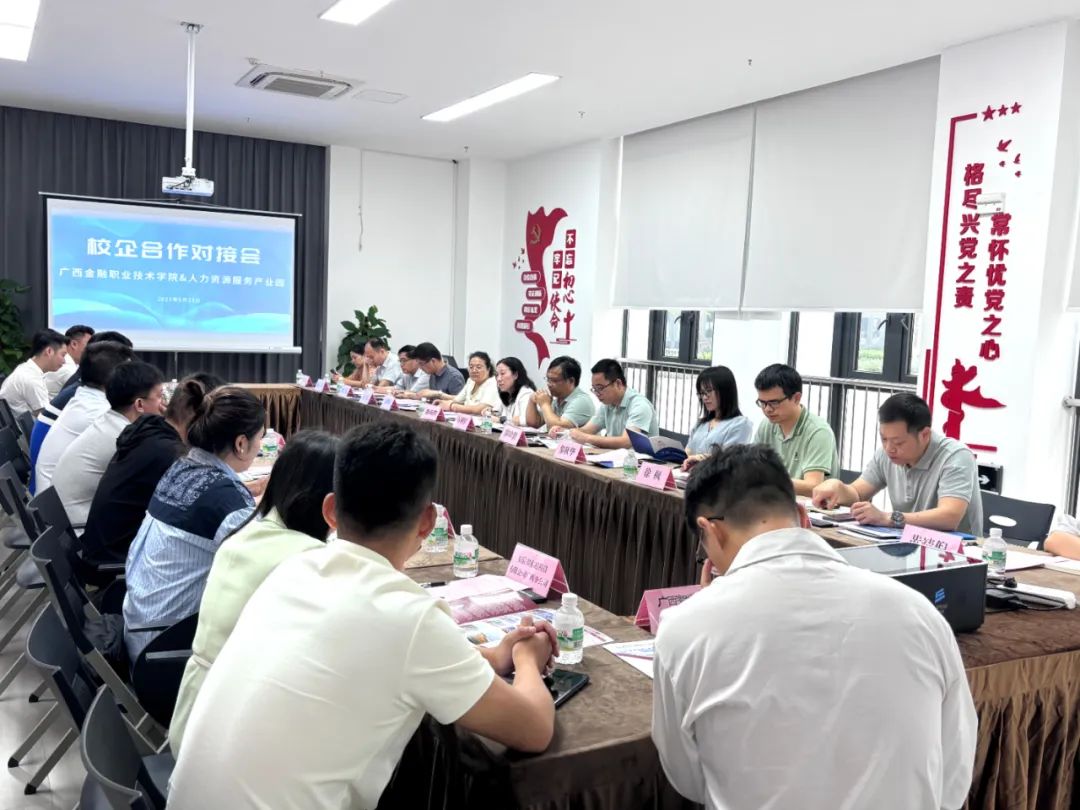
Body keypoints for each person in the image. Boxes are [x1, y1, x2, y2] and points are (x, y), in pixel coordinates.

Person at [167, 422, 558, 809]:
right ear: (428, 521)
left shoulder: (293, 570)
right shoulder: (410, 616)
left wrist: (493, 657)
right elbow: (534, 729)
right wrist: (527, 659)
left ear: (331, 511)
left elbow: (389, 648)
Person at [653, 444, 977, 809]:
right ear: (803, 516)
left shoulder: (685, 628)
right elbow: (954, 775)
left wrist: (706, 608)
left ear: (709, 529)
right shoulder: (919, 613)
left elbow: (689, 777)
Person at [169, 430, 340, 754]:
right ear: (332, 501)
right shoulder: (309, 560)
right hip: (229, 737)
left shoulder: (247, 532)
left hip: (193, 717)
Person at [122, 387, 265, 661]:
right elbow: (262, 571)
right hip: (167, 651)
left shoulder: (182, 468)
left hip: (142, 630)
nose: (260, 446)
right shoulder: (227, 502)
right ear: (241, 444)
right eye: (260, 437)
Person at [79, 374, 223, 573]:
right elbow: (209, 508)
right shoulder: (169, 453)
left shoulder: (151, 433)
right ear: (198, 416)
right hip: (117, 566)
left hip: (106, 551)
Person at [812, 393, 984, 535]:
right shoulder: (885, 455)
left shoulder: (955, 457)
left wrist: (888, 518)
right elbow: (857, 493)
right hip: (907, 543)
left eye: (898, 442)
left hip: (955, 551)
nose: (889, 448)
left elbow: (949, 516)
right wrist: (838, 488)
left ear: (924, 435)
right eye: (884, 439)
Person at [51, 361, 164, 531]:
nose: (163, 404)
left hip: (67, 522)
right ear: (139, 404)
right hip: (79, 531)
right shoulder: (124, 437)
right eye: (160, 396)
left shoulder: (110, 421)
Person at [28, 330, 134, 493]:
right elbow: (133, 446)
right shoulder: (95, 410)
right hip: (57, 501)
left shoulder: (82, 394)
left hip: (50, 492)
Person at [752, 363, 838, 496]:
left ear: (796, 398)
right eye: (762, 403)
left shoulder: (818, 431)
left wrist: (770, 481)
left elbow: (814, 486)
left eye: (774, 403)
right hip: (773, 501)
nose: (767, 409)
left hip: (809, 506)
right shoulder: (766, 425)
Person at [568, 359, 658, 450]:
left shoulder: (639, 405)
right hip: (616, 456)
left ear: (618, 384)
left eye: (600, 388)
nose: (597, 394)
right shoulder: (607, 403)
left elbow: (626, 442)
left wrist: (586, 438)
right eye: (594, 389)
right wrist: (568, 432)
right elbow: (587, 430)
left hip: (640, 458)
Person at [682, 366, 753, 470]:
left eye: (708, 391)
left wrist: (699, 458)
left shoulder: (740, 424)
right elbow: (688, 452)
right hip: (689, 476)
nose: (704, 397)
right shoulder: (701, 424)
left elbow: (729, 459)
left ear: (725, 391)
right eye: (702, 393)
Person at [0, 329, 67, 417]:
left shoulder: (26, 369)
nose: (64, 361)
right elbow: (45, 418)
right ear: (49, 351)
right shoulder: (32, 378)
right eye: (63, 355)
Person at [525, 356, 595, 431]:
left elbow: (557, 428)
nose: (549, 384)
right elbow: (533, 423)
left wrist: (545, 404)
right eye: (548, 379)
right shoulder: (557, 399)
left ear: (571, 381)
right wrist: (531, 401)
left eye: (554, 380)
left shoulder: (581, 401)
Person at [434, 351, 501, 416]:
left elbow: (479, 409)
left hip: (483, 422)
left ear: (488, 369)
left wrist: (451, 406)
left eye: (478, 367)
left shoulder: (493, 384)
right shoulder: (471, 381)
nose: (474, 370)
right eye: (471, 367)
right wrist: (442, 402)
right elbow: (457, 400)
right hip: (466, 419)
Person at [44, 324, 94, 396]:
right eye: (89, 344)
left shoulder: (67, 363)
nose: (93, 349)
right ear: (74, 344)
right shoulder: (68, 369)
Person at [495, 357, 537, 426]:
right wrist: (489, 411)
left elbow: (526, 421)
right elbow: (496, 412)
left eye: (502, 373)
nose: (498, 379)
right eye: (497, 375)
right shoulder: (506, 393)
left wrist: (500, 420)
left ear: (515, 375)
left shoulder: (526, 393)